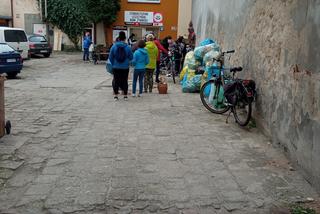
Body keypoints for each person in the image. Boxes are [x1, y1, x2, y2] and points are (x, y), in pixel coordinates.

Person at [109, 31, 133, 101]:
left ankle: (116, 96)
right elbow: (131, 57)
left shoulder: (114, 46)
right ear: (125, 38)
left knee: (116, 81)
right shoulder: (128, 47)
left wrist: (114, 64)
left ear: (118, 38)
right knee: (125, 81)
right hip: (125, 67)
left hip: (115, 67)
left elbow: (110, 57)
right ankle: (125, 96)